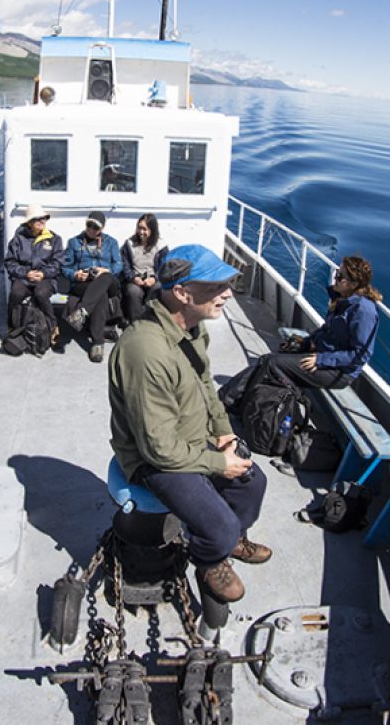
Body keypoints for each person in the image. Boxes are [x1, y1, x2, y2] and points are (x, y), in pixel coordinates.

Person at [109, 244, 271, 604]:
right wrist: (218, 464)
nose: (227, 293)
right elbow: (158, 449)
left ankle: (228, 543)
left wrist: (223, 431)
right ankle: (210, 558)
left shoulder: (192, 330)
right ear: (182, 293)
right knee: (220, 526)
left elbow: (206, 387)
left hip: (192, 440)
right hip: (152, 460)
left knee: (253, 484)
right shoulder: (145, 351)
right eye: (215, 286)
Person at [227, 256, 382, 406]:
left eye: (340, 276)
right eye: (337, 273)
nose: (335, 278)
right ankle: (229, 398)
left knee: (272, 363)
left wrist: (321, 360)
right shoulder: (342, 299)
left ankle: (230, 400)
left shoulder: (364, 311)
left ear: (354, 283)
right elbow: (328, 330)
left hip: (337, 371)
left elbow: (360, 355)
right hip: (322, 355)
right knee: (267, 359)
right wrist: (308, 342)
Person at [61, 211, 124, 363]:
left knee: (106, 277)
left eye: (95, 227)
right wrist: (75, 274)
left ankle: (81, 312)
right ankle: (97, 343)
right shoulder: (74, 242)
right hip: (84, 283)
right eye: (89, 225)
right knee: (99, 295)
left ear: (101, 229)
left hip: (109, 282)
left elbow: (119, 264)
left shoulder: (111, 242)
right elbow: (65, 267)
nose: (91, 229)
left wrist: (106, 270)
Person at [3, 204, 64, 336]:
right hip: (24, 278)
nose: (42, 221)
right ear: (29, 222)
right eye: (37, 219)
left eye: (44, 218)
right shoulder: (18, 239)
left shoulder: (54, 239)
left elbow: (58, 263)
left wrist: (43, 273)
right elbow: (10, 262)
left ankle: (53, 326)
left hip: (46, 278)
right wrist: (25, 273)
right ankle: (12, 327)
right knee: (16, 293)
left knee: (41, 293)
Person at [120, 213, 169, 323]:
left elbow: (164, 267)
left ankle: (153, 322)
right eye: (139, 228)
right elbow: (125, 264)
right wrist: (133, 277)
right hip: (136, 279)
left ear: (152, 230)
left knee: (158, 288)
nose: (141, 232)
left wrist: (154, 278)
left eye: (144, 229)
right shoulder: (129, 244)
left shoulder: (161, 245)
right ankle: (136, 323)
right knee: (133, 291)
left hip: (153, 279)